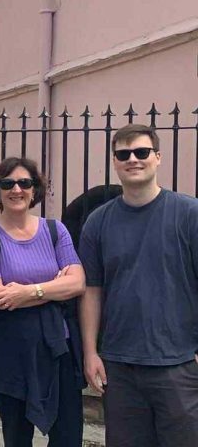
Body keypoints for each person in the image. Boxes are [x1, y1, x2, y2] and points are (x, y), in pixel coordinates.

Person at [79, 124, 198, 447]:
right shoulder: (98, 222)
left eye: (142, 152)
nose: (133, 159)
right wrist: (90, 352)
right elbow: (92, 291)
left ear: (158, 157)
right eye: (123, 154)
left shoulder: (189, 214)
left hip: (178, 364)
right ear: (115, 162)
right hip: (120, 366)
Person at [0, 157, 86, 447]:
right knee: (17, 438)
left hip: (57, 349)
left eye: (25, 183)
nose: (17, 189)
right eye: (7, 183)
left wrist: (28, 292)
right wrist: (53, 287)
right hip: (13, 353)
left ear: (34, 190)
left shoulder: (55, 230)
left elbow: (77, 283)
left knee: (67, 437)